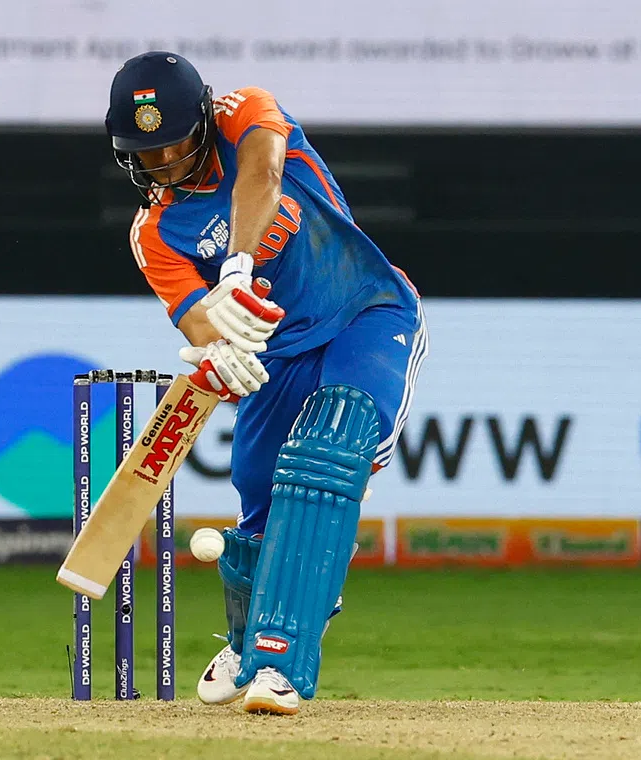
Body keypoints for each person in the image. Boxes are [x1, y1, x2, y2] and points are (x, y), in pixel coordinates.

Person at [105, 51, 428, 715]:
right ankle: (248, 637)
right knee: (257, 490)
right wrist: (216, 353)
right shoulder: (155, 232)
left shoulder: (245, 113)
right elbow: (197, 322)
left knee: (329, 450)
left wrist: (236, 266)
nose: (164, 166)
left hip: (364, 311)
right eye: (149, 156)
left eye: (175, 148)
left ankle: (282, 658)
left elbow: (264, 172)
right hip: (276, 355)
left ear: (201, 121)